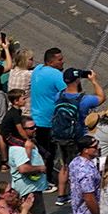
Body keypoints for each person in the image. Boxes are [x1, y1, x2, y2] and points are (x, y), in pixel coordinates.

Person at [50, 71, 106, 210]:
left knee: (65, 166)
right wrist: (93, 81)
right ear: (77, 81)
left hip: (61, 136)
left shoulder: (59, 95)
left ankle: (61, 195)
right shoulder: (84, 100)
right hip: (78, 138)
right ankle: (83, 195)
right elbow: (101, 97)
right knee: (81, 167)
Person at [27, 50, 66, 196]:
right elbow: (69, 91)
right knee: (49, 153)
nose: (62, 62)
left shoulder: (38, 69)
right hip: (48, 120)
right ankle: (46, 181)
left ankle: (41, 178)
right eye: (59, 60)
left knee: (41, 151)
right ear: (50, 62)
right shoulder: (56, 74)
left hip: (36, 117)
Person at [65, 135, 107, 214]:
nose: (97, 148)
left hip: (80, 212)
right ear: (85, 150)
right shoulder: (86, 171)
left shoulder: (75, 162)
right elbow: (89, 197)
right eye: (94, 147)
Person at [4, 121, 48, 214]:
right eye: (31, 128)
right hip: (29, 190)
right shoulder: (19, 148)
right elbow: (23, 168)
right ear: (21, 130)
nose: (35, 129)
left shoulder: (26, 144)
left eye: (35, 126)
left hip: (33, 188)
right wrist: (40, 168)